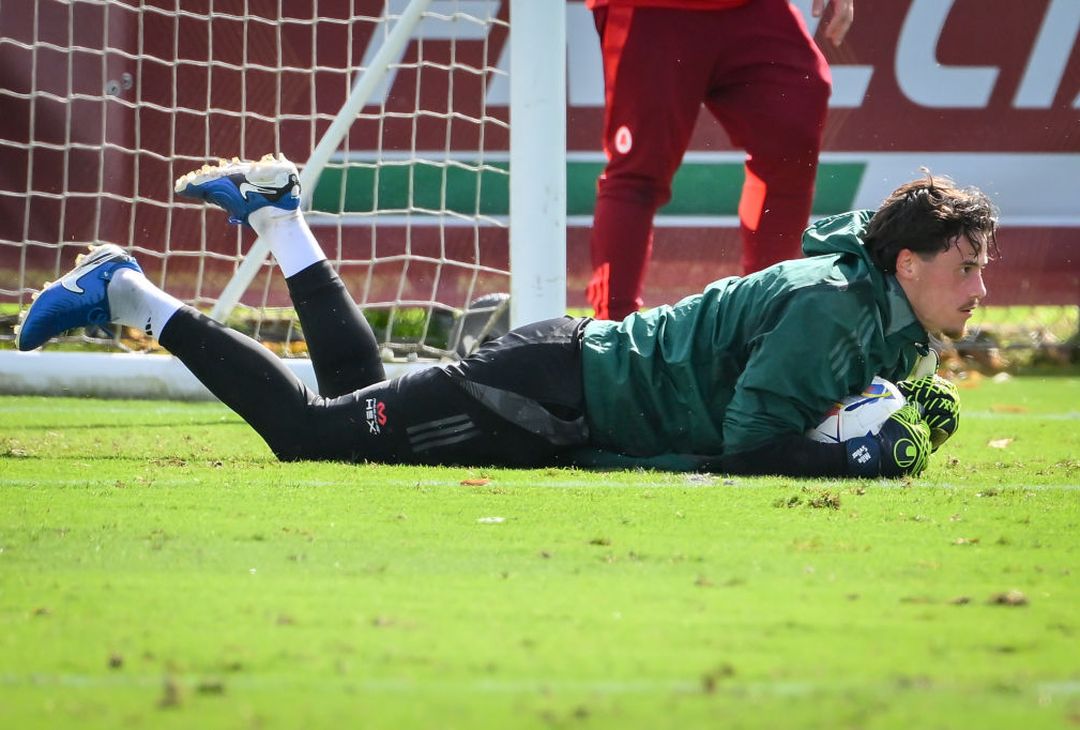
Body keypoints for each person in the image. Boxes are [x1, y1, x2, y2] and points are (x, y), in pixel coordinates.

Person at [15, 154, 995, 478]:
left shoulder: (874, 305)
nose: (979, 287)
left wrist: (912, 408)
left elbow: (860, 385)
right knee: (309, 437)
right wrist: (860, 460)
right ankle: (128, 290)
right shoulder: (834, 305)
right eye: (966, 265)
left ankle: (280, 220)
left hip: (567, 385)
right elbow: (751, 440)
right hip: (550, 394)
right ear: (907, 261)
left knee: (356, 400)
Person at [585, 0, 855, 320]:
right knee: (639, 170)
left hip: (748, 7)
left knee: (795, 118)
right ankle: (614, 333)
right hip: (651, 7)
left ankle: (763, 314)